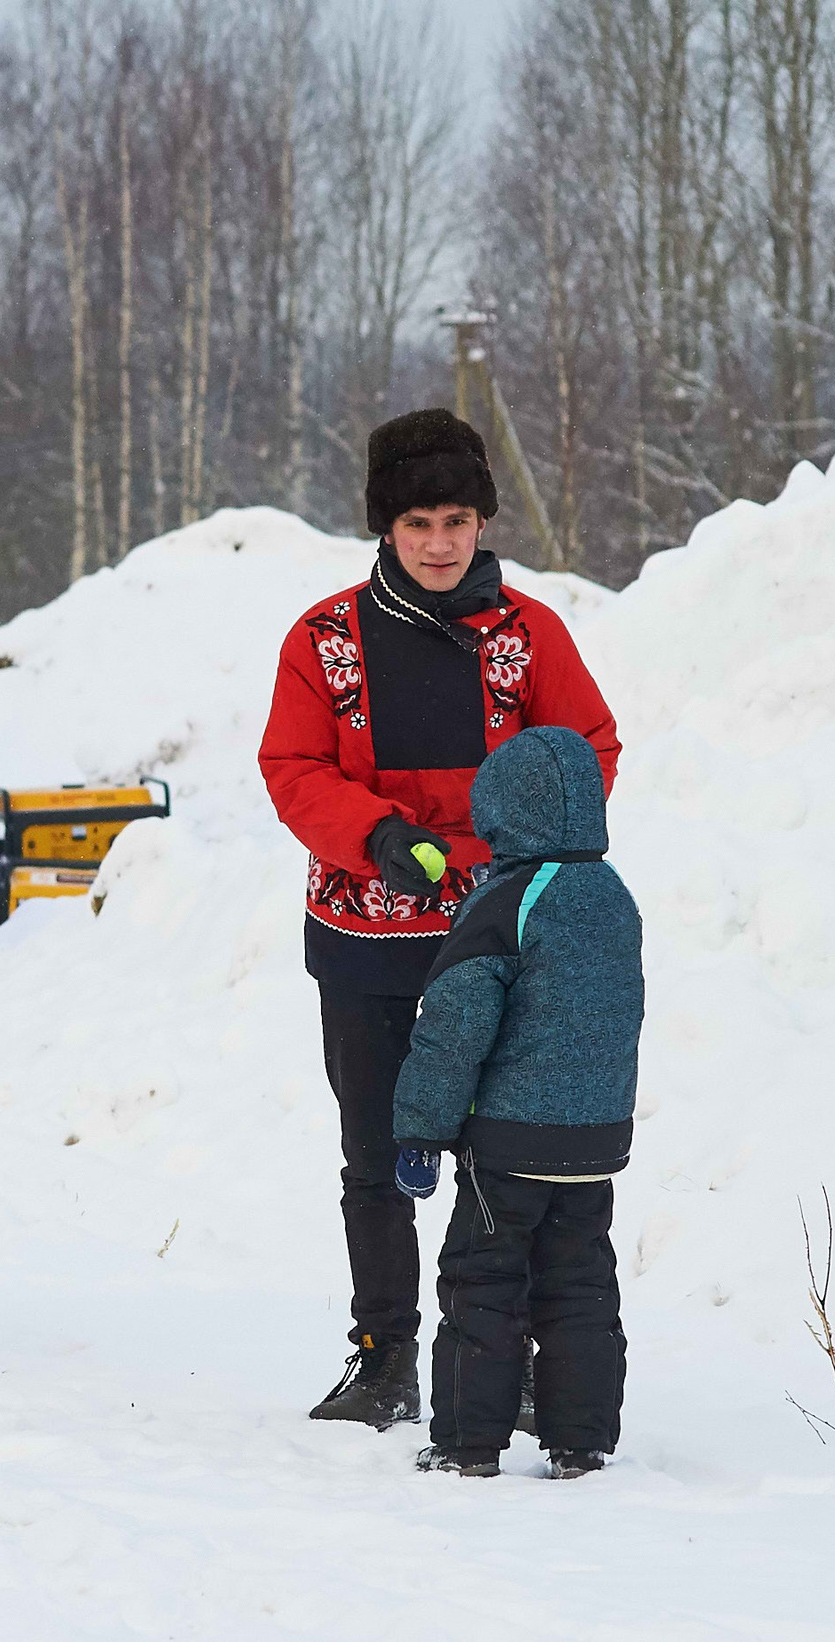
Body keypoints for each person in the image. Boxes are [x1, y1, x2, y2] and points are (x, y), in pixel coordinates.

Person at [259, 408, 621, 1427]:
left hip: (505, 938)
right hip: (364, 939)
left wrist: (508, 842)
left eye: (457, 518)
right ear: (385, 527)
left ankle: (502, 1358)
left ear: (480, 520)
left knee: (505, 1154)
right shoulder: (324, 641)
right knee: (376, 1156)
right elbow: (291, 766)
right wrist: (373, 835)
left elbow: (586, 748)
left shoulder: (530, 634)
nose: (438, 540)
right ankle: (383, 1357)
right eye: (417, 520)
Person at [391, 726, 642, 1479]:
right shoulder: (613, 896)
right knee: (581, 1286)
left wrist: (421, 1129)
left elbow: (455, 1025)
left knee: (483, 1286)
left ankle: (468, 1443)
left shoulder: (508, 899)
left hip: (508, 1145)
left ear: (502, 813)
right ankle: (580, 1442)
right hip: (593, 1143)